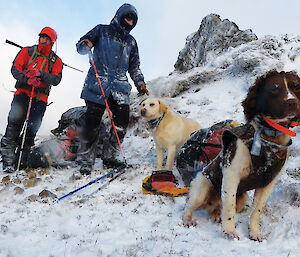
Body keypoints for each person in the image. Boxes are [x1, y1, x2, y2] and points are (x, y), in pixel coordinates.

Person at [76, 3, 149, 175]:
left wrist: (140, 83)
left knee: (121, 122)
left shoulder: (131, 42)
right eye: (127, 17)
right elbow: (80, 46)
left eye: (133, 20)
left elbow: (134, 67)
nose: (130, 22)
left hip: (120, 87)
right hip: (98, 82)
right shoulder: (102, 30)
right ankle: (86, 160)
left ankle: (110, 157)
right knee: (92, 121)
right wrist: (85, 44)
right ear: (120, 15)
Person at [0, 26, 63, 173]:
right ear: (39, 37)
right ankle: (8, 160)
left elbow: (56, 79)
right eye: (43, 37)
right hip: (22, 94)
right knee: (13, 126)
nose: (44, 41)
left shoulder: (56, 60)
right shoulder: (27, 52)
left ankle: (22, 160)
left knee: (31, 130)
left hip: (40, 99)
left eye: (48, 39)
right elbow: (15, 68)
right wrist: (27, 78)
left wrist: (40, 74)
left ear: (52, 42)